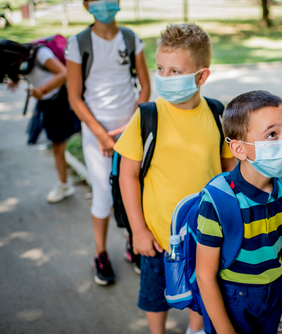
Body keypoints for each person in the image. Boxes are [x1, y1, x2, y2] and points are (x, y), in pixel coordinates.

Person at [115, 23, 237, 334]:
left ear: (201, 76)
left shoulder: (215, 114)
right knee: (156, 294)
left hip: (206, 234)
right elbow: (127, 176)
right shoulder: (147, 116)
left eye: (175, 72)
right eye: (161, 69)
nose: (164, 78)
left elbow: (227, 171)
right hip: (159, 236)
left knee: (203, 289)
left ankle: (194, 330)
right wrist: (138, 230)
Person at [196, 90, 282, 334]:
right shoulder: (217, 200)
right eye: (272, 134)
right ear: (239, 149)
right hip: (234, 295)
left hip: (275, 290)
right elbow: (205, 277)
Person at [66, 0, 151, 285]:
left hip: (131, 129)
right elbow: (75, 97)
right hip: (96, 133)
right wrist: (102, 135)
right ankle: (100, 252)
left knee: (132, 188)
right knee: (103, 193)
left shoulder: (131, 38)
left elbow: (145, 86)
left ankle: (132, 241)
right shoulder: (78, 43)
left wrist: (132, 126)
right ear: (87, 5)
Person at [1, 39, 80, 203]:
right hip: (48, 102)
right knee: (57, 144)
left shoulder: (40, 54)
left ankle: (65, 185)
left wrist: (42, 90)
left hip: (61, 100)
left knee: (59, 144)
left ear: (16, 57)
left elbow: (64, 73)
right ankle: (64, 183)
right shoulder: (21, 59)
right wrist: (14, 80)